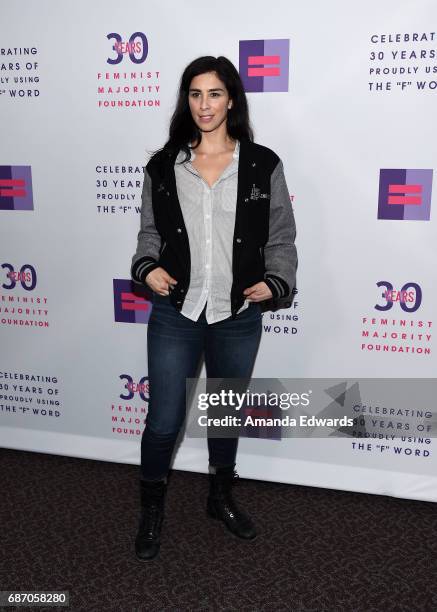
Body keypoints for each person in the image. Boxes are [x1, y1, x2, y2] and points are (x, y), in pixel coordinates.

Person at [131, 55, 298, 562]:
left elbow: (282, 238)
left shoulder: (263, 163)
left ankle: (219, 497)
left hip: (237, 315)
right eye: (196, 94)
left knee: (224, 414)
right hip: (175, 313)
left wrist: (277, 280)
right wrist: (146, 268)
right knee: (163, 421)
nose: (205, 105)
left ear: (232, 99)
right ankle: (152, 508)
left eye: (215, 94)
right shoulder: (163, 166)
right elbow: (148, 235)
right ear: (187, 100)